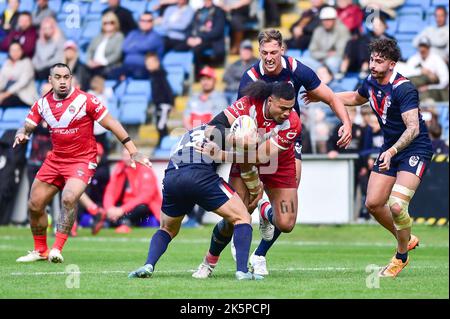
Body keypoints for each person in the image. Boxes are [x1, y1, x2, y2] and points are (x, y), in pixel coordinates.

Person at [303, 38, 433, 277]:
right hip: (390, 149)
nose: (373, 64)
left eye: (379, 61)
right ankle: (406, 237)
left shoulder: (404, 88)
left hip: (414, 149)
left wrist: (392, 151)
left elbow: (413, 128)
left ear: (392, 64)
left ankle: (400, 256)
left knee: (396, 205)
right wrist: (324, 95)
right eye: (372, 59)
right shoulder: (371, 82)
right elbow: (355, 97)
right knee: (373, 203)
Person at [235, 29, 352, 275]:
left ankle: (260, 253)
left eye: (273, 52)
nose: (269, 57)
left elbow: (330, 97)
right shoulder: (249, 78)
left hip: (288, 141)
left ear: (283, 50)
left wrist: (346, 123)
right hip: (257, 143)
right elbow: (241, 117)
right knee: (244, 203)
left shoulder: (297, 70)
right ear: (259, 52)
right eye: (264, 52)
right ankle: (222, 254)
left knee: (286, 218)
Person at [14, 63, 151, 263]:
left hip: (81, 160)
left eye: (66, 77)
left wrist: (133, 151)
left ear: (71, 79)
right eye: (58, 77)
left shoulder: (86, 100)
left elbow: (112, 123)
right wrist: (21, 135)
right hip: (55, 160)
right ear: (50, 81)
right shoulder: (42, 104)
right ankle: (40, 250)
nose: (62, 81)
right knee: (34, 204)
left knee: (69, 198)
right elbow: (26, 126)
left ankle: (57, 249)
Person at [128, 122, 263, 280]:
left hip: (172, 177)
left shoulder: (187, 134)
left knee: (166, 229)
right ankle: (242, 271)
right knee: (242, 218)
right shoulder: (221, 131)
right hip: (199, 175)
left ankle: (148, 264)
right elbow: (245, 150)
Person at [101, 149, 162, 234]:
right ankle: (118, 221)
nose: (127, 158)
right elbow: (110, 191)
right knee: (109, 208)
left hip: (140, 206)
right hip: (125, 206)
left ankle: (123, 222)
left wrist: (122, 210)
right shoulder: (119, 168)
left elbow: (145, 197)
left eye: (129, 156)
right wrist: (109, 208)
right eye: (125, 156)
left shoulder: (145, 169)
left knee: (142, 207)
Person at [398, 37, 449, 102]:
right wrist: (421, 71)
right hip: (415, 88)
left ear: (429, 48)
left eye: (425, 46)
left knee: (425, 95)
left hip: (434, 89)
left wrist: (428, 87)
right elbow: (405, 74)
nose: (423, 49)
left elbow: (444, 81)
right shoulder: (414, 59)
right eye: (421, 46)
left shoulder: (437, 59)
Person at [120, 12, 164, 79]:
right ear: (139, 22)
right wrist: (137, 45)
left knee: (137, 74)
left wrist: (133, 44)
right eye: (142, 20)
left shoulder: (155, 36)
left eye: (149, 21)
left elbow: (145, 47)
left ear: (153, 22)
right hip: (127, 66)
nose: (145, 23)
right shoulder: (133, 33)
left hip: (145, 68)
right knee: (111, 74)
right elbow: (124, 47)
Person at [145, 53, 174, 148]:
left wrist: (170, 103)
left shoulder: (160, 75)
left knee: (161, 125)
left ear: (157, 63)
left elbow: (168, 90)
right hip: (158, 104)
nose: (148, 65)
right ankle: (162, 142)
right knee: (159, 124)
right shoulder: (153, 76)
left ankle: (162, 142)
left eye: (150, 63)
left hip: (164, 104)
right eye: (147, 63)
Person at [86, 12, 124, 79]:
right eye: (105, 23)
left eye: (111, 22)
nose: (108, 25)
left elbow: (117, 54)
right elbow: (90, 51)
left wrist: (102, 62)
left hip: (108, 66)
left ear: (116, 23)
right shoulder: (98, 37)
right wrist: (89, 61)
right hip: (94, 65)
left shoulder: (119, 36)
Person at [0, 41, 38, 107]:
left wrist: (4, 94)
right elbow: (2, 80)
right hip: (8, 93)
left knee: (4, 101)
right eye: (12, 50)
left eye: (17, 50)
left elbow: (22, 83)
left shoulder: (27, 62)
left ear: (22, 51)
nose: (15, 53)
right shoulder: (7, 63)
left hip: (23, 96)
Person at [223, 39, 258, 104]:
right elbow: (226, 77)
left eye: (249, 50)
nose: (246, 52)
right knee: (219, 98)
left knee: (236, 98)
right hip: (230, 90)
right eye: (244, 50)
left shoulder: (257, 64)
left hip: (245, 93)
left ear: (252, 52)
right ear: (240, 51)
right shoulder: (235, 64)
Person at [32, 16, 65, 80]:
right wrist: (36, 65)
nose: (47, 30)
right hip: (40, 68)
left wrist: (42, 65)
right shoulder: (39, 42)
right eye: (45, 28)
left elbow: (58, 59)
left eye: (49, 28)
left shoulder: (60, 40)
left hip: (52, 68)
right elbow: (35, 57)